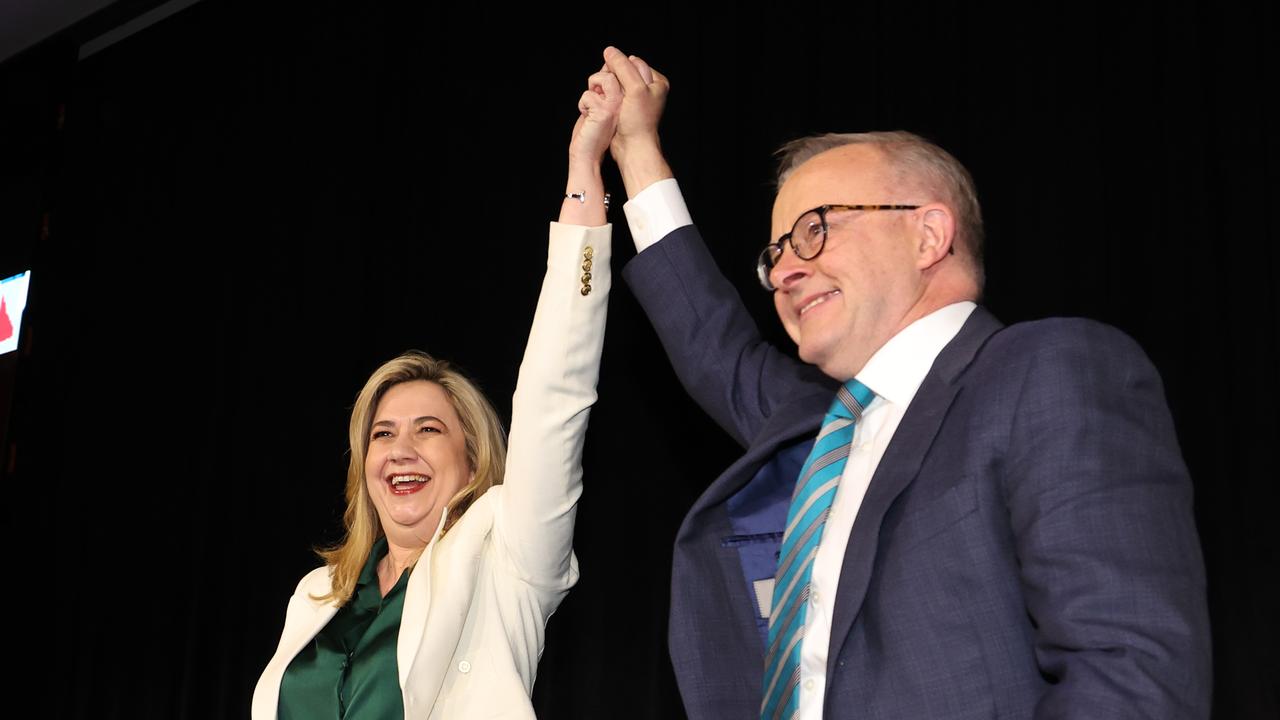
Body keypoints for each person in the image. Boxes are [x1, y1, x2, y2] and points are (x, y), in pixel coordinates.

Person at [598, 47, 1211, 719]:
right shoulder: (816, 422)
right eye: (774, 254)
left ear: (928, 236)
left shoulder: (1045, 370)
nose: (784, 272)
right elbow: (707, 339)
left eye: (815, 230)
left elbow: (1130, 673)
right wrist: (635, 148)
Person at [250, 67, 623, 719]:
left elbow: (555, 393)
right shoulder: (316, 597)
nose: (400, 449)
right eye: (382, 433)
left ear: (474, 461)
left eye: (428, 429)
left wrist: (583, 168)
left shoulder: (509, 556)